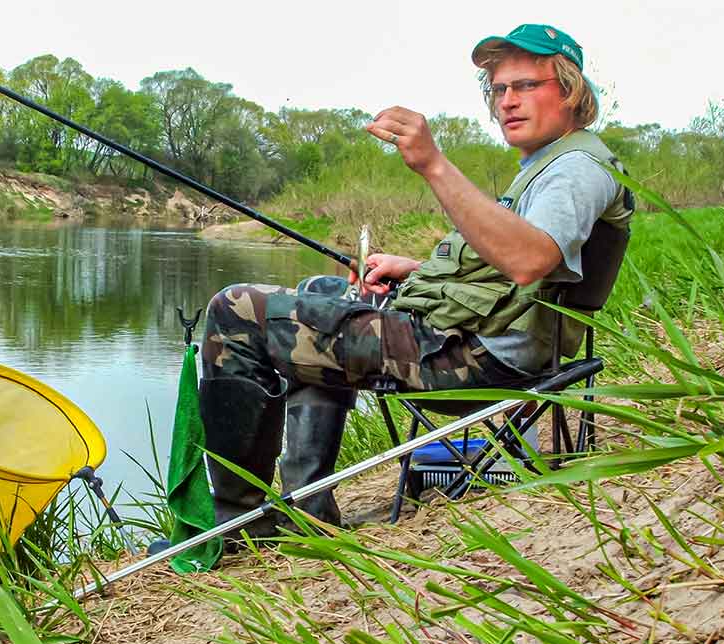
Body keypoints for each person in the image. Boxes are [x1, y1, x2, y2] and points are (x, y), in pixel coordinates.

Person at [198, 24, 634, 537]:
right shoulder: (551, 164)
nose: (508, 102)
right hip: (480, 343)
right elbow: (515, 276)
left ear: (570, 90)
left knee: (237, 310)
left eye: (526, 86)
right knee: (321, 294)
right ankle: (308, 508)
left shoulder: (573, 171)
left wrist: (432, 163)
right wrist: (415, 269)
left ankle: (240, 524)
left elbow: (528, 259)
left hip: (475, 363)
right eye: (499, 90)